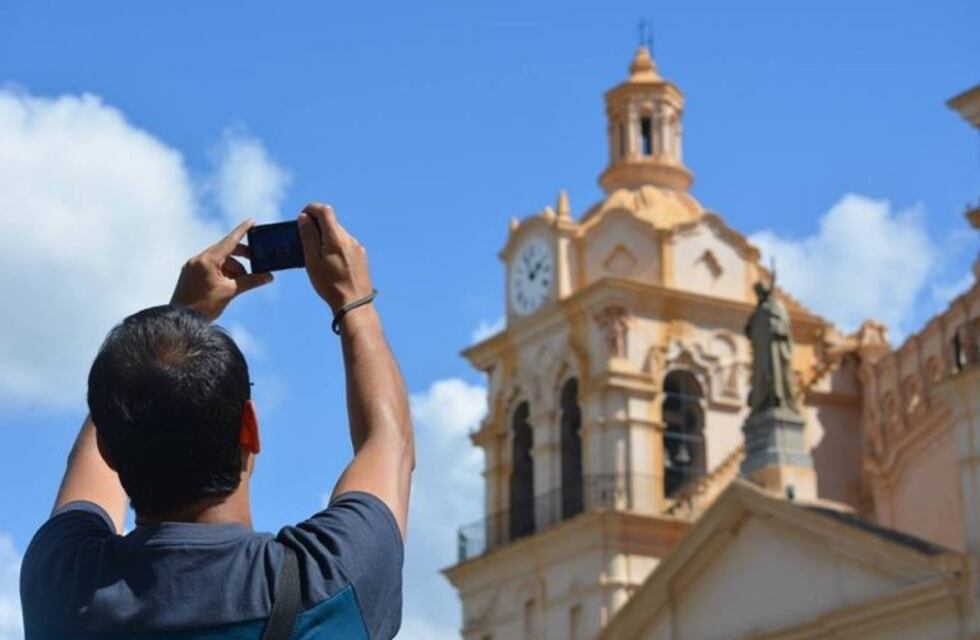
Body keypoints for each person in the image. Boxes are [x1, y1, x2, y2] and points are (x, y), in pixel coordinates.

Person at [19, 203, 414, 640]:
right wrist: (354, 301)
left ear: (111, 451)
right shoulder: (331, 580)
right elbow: (389, 444)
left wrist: (177, 319)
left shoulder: (59, 587)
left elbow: (94, 455)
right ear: (250, 428)